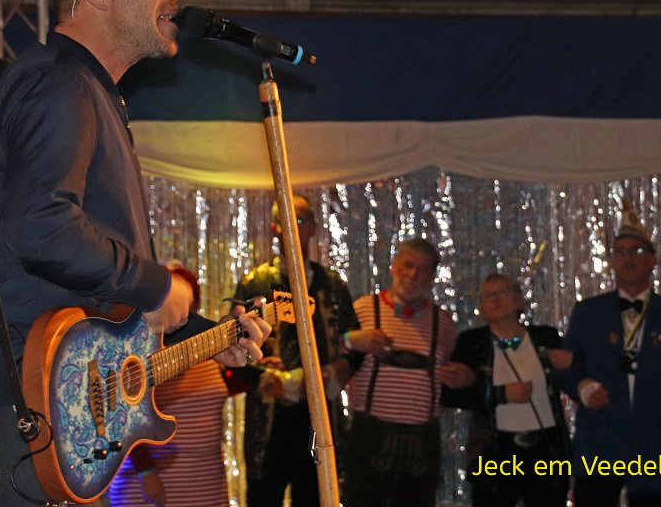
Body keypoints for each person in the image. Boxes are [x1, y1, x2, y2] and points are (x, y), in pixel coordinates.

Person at [0, 0, 270, 507]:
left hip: (42, 391)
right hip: (20, 393)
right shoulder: (59, 84)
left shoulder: (86, 91)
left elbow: (87, 286)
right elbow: (43, 229)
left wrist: (202, 335)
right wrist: (155, 285)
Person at [555, 207, 661, 507]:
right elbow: (564, 366)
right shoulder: (588, 313)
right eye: (620, 251)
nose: (628, 257)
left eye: (637, 250)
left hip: (658, 442)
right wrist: (583, 387)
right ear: (611, 261)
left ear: (653, 260)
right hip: (601, 437)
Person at [234, 194, 360, 507]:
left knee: (315, 495)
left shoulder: (332, 285)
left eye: (301, 220)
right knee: (264, 496)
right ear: (275, 228)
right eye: (286, 220)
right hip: (269, 417)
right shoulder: (255, 284)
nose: (293, 228)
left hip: (319, 417)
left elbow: (352, 345)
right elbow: (233, 349)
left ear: (314, 228)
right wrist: (268, 375)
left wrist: (332, 374)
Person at [342, 237, 470, 507]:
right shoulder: (363, 309)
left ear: (432, 277)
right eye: (407, 265)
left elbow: (452, 374)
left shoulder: (443, 324)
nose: (412, 275)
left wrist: (465, 377)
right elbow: (331, 355)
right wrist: (350, 340)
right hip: (369, 437)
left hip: (422, 446)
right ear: (393, 266)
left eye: (422, 270)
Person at [109, 261, 248, 507]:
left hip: (206, 484)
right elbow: (121, 419)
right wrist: (145, 471)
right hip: (151, 486)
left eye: (190, 304)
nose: (184, 311)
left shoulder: (211, 354)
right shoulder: (143, 357)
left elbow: (237, 381)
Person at [441, 273, 570, 507]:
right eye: (488, 296)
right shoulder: (472, 342)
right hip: (493, 450)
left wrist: (569, 361)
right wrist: (499, 394)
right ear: (481, 308)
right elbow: (449, 394)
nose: (496, 299)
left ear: (520, 300)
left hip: (545, 446)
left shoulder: (545, 337)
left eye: (503, 292)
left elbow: (574, 374)